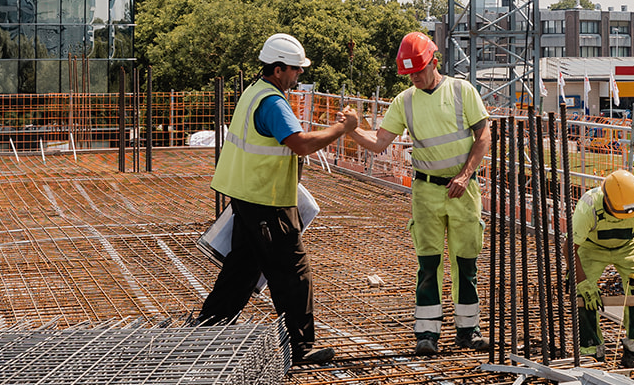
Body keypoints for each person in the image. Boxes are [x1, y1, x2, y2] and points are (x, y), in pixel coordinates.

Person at [198, 33, 359, 367]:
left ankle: (208, 327)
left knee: (242, 269)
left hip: (247, 196)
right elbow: (300, 143)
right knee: (293, 271)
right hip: (268, 201)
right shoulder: (271, 101)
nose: (298, 75)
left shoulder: (253, 92)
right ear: (278, 68)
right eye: (295, 70)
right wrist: (342, 128)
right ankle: (300, 348)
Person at [353, 32, 491, 357]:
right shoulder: (405, 101)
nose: (414, 77)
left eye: (418, 70)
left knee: (465, 263)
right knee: (428, 264)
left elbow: (483, 135)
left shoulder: (461, 91)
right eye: (409, 73)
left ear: (433, 61)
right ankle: (426, 333)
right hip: (426, 191)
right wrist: (349, 130)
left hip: (463, 190)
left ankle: (468, 331)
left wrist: (465, 174)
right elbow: (379, 142)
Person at [572, 168, 634, 367]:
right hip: (591, 247)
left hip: (627, 247)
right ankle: (592, 352)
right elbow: (571, 247)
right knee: (583, 295)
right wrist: (584, 282)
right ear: (607, 200)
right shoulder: (588, 206)